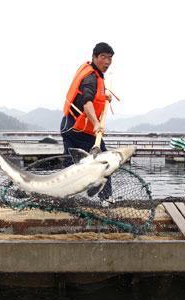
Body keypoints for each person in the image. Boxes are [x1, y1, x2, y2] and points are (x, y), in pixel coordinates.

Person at [60, 42, 114, 200]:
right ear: (94, 57)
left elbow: (93, 95)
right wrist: (96, 123)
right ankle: (106, 199)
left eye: (110, 58)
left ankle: (64, 198)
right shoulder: (91, 77)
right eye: (103, 57)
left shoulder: (94, 73)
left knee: (70, 166)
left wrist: (105, 96)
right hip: (78, 129)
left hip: (71, 125)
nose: (107, 62)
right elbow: (87, 101)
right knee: (104, 162)